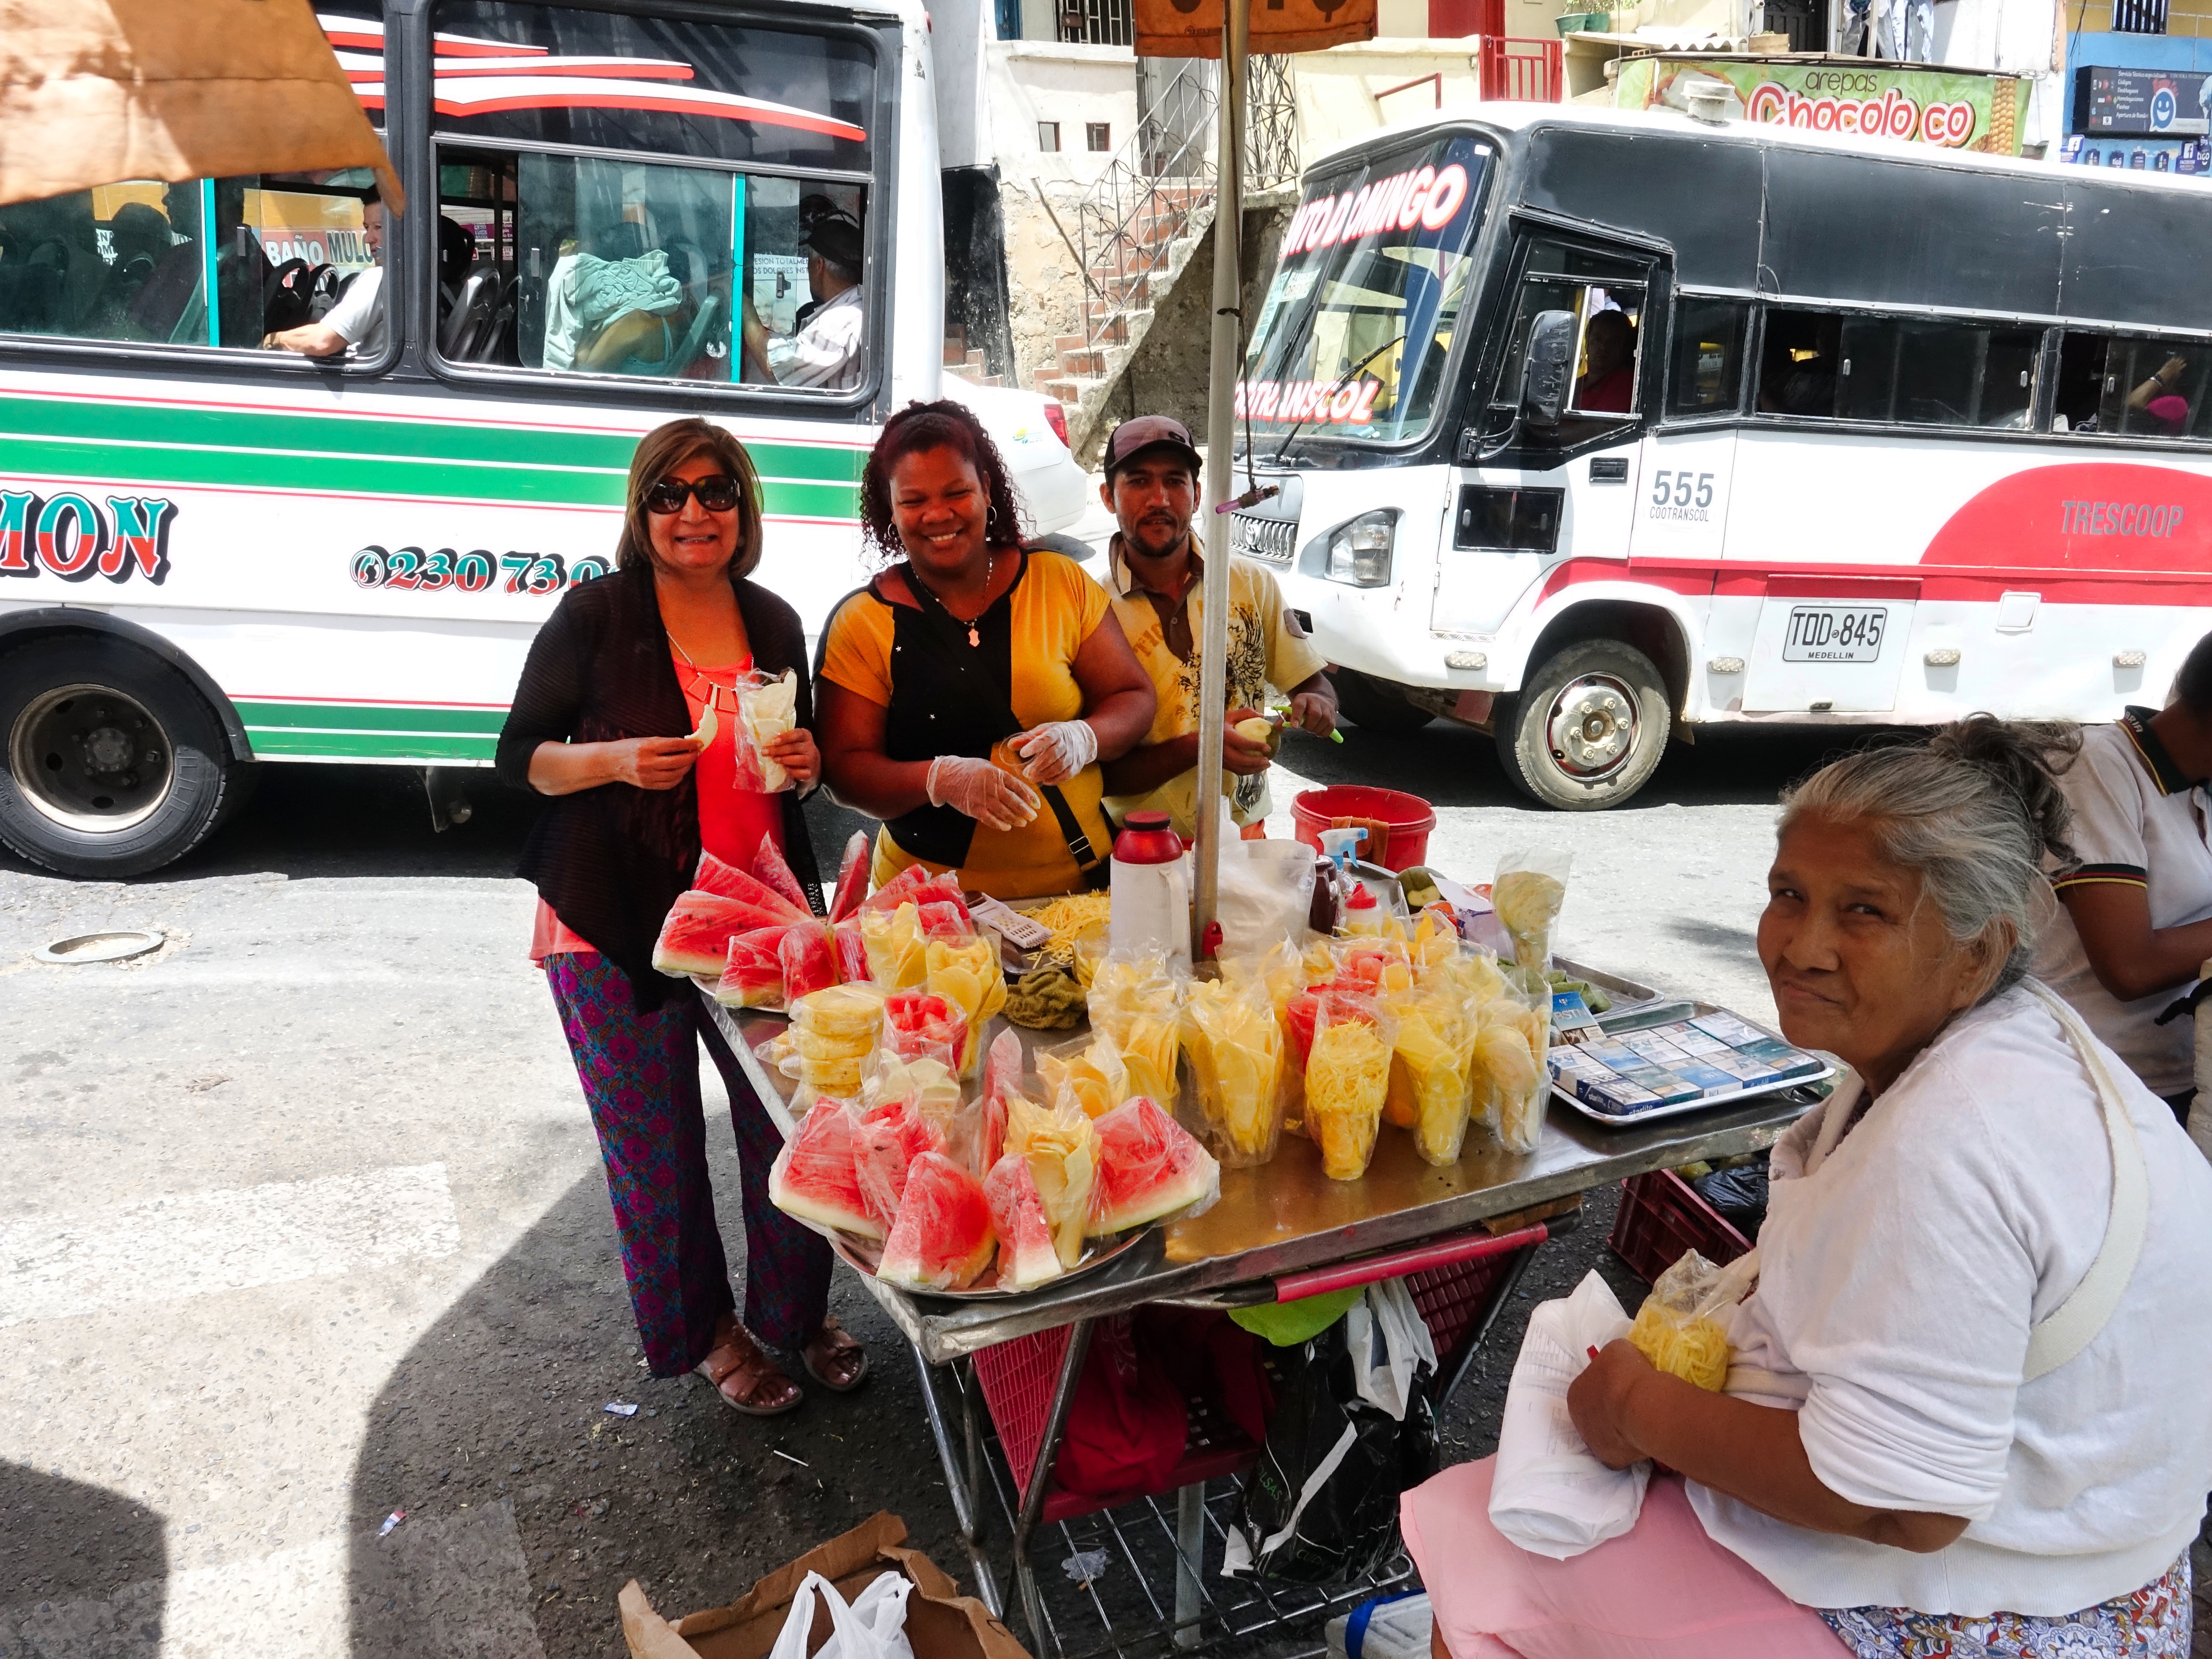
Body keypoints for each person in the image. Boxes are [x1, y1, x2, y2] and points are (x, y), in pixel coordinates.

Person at [1402, 717, 2212, 1659]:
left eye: (1862, 911)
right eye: (1788, 895)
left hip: (2026, 1599)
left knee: (1488, 1558)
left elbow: (1898, 1504)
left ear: (1979, 952)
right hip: (2098, 1539)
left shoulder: (1957, 1136)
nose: (1802, 946)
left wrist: (1635, 1409)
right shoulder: (2002, 1038)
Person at [495, 418, 865, 1418]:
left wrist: (810, 764)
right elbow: (519, 757)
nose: (693, 512)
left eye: (715, 492)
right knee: (653, 1152)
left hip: (758, 917)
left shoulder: (777, 620)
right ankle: (706, 1334)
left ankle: (793, 1315)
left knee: (792, 1132)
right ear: (642, 509)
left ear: (743, 506)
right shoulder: (595, 615)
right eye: (670, 494)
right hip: (610, 920)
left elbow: (805, 754)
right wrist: (613, 761)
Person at [815, 399, 1155, 899]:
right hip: (928, 910)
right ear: (890, 508)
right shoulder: (863, 621)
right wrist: (940, 779)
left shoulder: (1058, 581)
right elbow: (844, 771)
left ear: (987, 490)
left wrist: (1083, 737)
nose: (937, 515)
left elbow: (1132, 697)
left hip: (1080, 894)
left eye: (957, 492)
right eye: (913, 501)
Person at [1093, 415, 1337, 841]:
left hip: (1242, 833)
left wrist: (1317, 703)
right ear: (1108, 498)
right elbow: (1101, 775)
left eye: (1175, 481)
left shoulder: (1249, 583)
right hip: (1137, 844)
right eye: (1138, 482)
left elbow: (1312, 683)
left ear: (1198, 494)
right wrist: (1204, 748)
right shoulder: (1090, 608)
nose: (1159, 499)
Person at [2032, 632, 2212, 1122]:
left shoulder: (2197, 789)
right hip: (2096, 1084)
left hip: (2178, 1075)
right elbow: (2129, 968)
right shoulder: (2092, 766)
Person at [741, 212, 864, 391]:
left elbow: (772, 365)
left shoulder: (844, 319)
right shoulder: (849, 309)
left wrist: (743, 306)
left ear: (819, 266)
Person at [265, 188, 384, 359]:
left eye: (378, 228)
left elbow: (322, 342)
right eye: (367, 228)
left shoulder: (379, 278)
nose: (368, 239)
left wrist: (272, 340)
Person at [1573, 309, 1636, 413]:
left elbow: (1601, 426)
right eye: (1597, 340)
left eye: (1613, 342)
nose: (1603, 347)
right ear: (1587, 344)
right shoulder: (1576, 384)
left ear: (1625, 348)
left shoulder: (1624, 383)